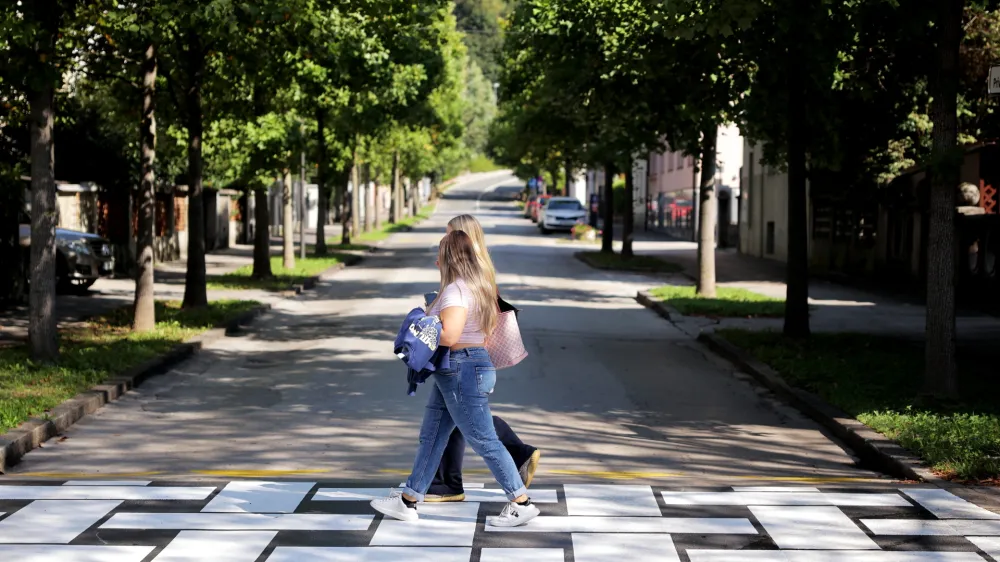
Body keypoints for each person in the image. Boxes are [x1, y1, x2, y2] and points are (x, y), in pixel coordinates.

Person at [371, 230, 540, 527]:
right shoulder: (476, 287)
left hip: (462, 368)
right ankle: (408, 499)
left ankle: (521, 502)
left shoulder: (456, 291)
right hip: (459, 369)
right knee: (432, 436)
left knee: (484, 439)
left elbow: (449, 334)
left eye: (440, 253)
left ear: (449, 257)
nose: (436, 259)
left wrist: (424, 324)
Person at [422, 214, 540, 503]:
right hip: (462, 356)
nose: (445, 242)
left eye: (450, 236)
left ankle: (516, 484)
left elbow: (466, 318)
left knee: (472, 424)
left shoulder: (471, 274)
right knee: (446, 422)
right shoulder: (476, 268)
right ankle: (436, 485)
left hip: (465, 355)